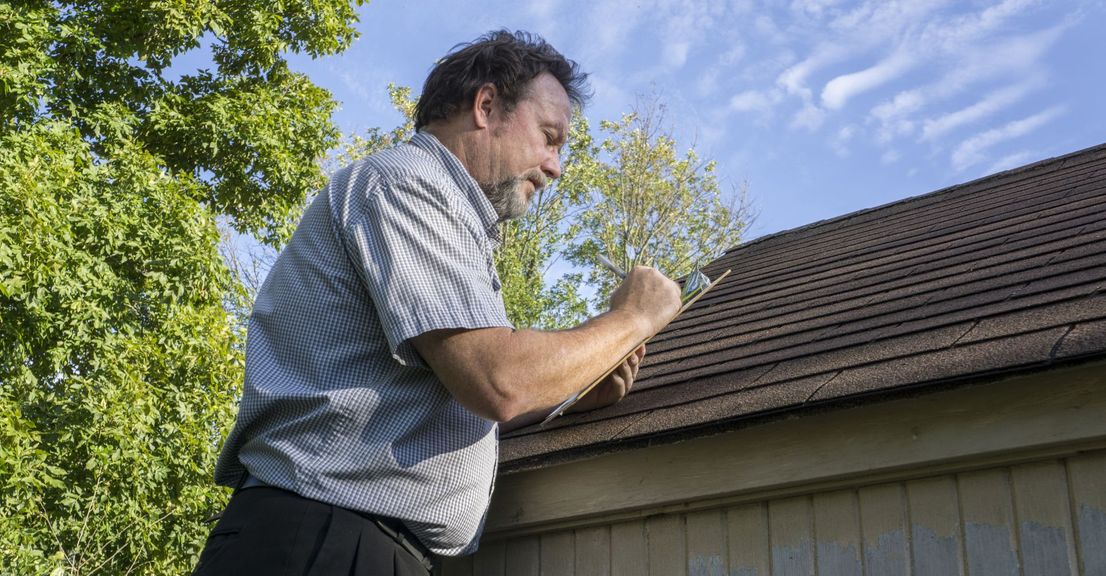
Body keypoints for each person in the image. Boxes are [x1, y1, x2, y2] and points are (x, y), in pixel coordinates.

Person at [192, 30, 682, 576]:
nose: (555, 166)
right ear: (487, 105)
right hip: (322, 541)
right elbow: (498, 380)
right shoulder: (409, 185)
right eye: (549, 136)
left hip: (340, 540)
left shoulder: (444, 212)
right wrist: (633, 317)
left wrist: (569, 394)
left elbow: (453, 404)